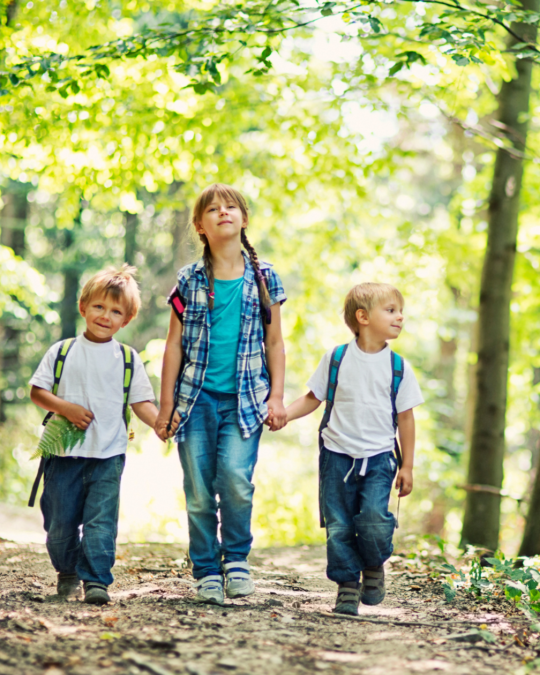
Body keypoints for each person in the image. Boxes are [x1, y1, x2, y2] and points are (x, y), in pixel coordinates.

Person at [155, 183, 287, 605]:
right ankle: (207, 570)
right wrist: (166, 405)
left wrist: (278, 396)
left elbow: (276, 343)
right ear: (200, 226)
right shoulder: (188, 280)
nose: (223, 213)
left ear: (244, 219)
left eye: (231, 207)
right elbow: (173, 344)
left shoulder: (265, 277)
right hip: (195, 401)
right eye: (213, 210)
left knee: (235, 480)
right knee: (197, 489)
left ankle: (236, 560)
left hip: (246, 401)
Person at [283, 282, 422, 615]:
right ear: (363, 317)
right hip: (336, 454)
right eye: (390, 310)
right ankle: (347, 585)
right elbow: (313, 398)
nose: (400, 317)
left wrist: (407, 466)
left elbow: (406, 418)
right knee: (339, 525)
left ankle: (373, 564)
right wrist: (283, 415)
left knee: (374, 520)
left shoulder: (398, 367)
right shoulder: (337, 358)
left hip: (378, 459)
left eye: (400, 311)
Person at [28, 264, 158, 605]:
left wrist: (160, 424)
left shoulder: (128, 359)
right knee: (60, 526)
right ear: (83, 307)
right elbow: (37, 392)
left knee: (101, 523)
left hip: (108, 456)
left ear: (126, 320)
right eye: (99, 307)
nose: (105, 316)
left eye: (116, 311)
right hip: (63, 458)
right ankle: (66, 569)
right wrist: (66, 409)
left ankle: (96, 580)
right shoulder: (63, 351)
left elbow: (142, 402)